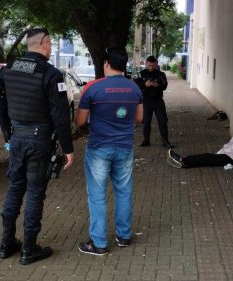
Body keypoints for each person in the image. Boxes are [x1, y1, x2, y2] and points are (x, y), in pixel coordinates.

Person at [0, 28, 74, 265]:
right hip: (39, 142)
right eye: (51, 45)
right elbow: (60, 115)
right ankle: (29, 249)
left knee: (15, 189)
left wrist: (8, 134)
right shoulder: (50, 74)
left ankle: (6, 244)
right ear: (46, 44)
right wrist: (68, 149)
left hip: (17, 139)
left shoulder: (8, 70)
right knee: (35, 193)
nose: (52, 49)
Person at [75, 47, 143, 256]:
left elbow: (80, 121)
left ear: (106, 64)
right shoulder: (135, 89)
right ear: (124, 66)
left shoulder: (93, 88)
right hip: (124, 147)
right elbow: (139, 119)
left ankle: (99, 243)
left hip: (99, 149)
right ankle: (123, 236)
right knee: (124, 192)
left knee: (97, 196)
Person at [167, 110, 233, 169]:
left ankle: (183, 161)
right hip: (230, 156)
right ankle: (184, 160)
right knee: (207, 158)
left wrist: (225, 150)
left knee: (207, 158)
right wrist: (225, 150)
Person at [135, 56, 173, 148]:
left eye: (153, 65)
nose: (151, 67)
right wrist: (145, 84)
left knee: (163, 121)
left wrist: (157, 85)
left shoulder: (161, 74)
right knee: (146, 122)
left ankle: (165, 141)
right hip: (146, 100)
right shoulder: (141, 74)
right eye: (149, 65)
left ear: (156, 64)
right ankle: (146, 141)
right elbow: (136, 85)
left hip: (158, 100)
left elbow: (165, 86)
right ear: (146, 63)